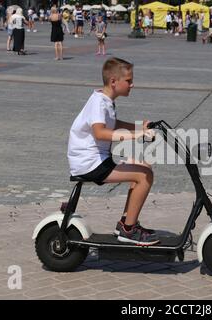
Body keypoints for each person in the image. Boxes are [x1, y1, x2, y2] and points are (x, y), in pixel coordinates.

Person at [67, 57, 159, 246]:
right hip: (90, 164)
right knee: (145, 176)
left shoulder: (105, 100)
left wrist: (139, 127)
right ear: (113, 82)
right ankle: (129, 230)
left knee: (144, 165)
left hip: (98, 160)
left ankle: (126, 223)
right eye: (129, 81)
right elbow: (100, 132)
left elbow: (113, 124)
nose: (132, 85)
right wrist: (137, 134)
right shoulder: (99, 103)